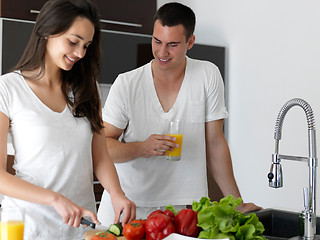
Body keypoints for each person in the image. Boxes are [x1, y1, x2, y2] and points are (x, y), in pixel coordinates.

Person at [97, 2, 261, 226]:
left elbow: (215, 143)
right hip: (128, 206)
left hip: (182, 210)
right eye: (157, 41)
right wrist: (141, 148)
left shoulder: (207, 75)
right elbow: (101, 146)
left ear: (190, 42)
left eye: (172, 44)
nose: (162, 52)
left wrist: (236, 203)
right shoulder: (127, 83)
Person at [0, 0, 136, 239]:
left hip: (81, 226)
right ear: (47, 31)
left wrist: (117, 194)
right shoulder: (9, 88)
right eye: (73, 42)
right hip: (29, 226)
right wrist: (55, 199)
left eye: (86, 45)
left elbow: (100, 155)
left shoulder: (86, 88)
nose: (80, 53)